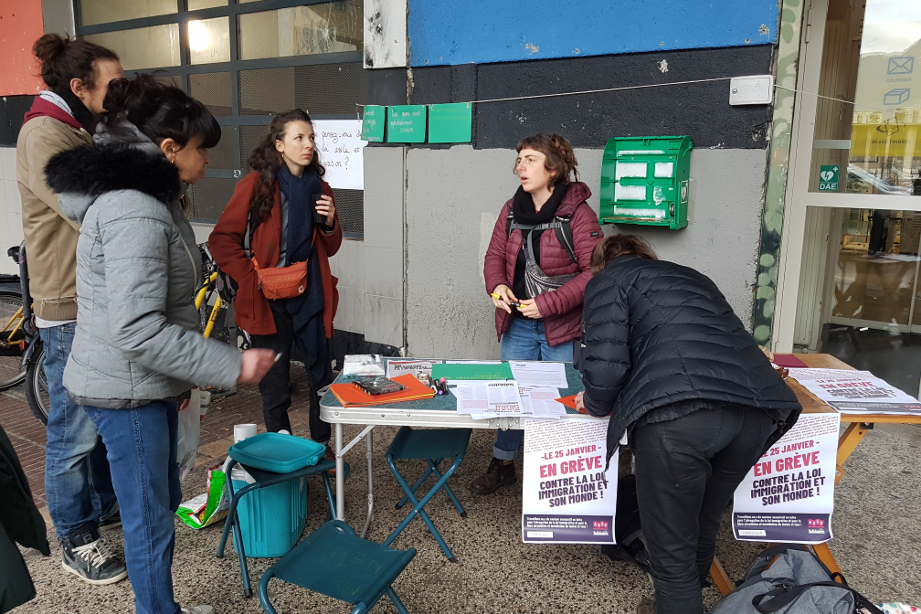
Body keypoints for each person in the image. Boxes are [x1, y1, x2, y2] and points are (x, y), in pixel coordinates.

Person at [44, 74, 276, 614]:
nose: (207, 163)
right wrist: (231, 364)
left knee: (158, 506)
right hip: (125, 390)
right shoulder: (135, 212)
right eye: (201, 151)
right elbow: (138, 328)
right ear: (168, 149)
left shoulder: (150, 198)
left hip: (140, 382)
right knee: (149, 522)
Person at [574, 234, 802, 614]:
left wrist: (594, 400)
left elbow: (606, 365)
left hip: (680, 418)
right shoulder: (692, 276)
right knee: (702, 524)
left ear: (600, 265)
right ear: (648, 257)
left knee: (671, 550)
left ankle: (677, 603)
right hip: (757, 409)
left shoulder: (608, 280)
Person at [15, 33, 127, 585]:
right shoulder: (43, 134)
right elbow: (89, 210)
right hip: (69, 303)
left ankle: (102, 506)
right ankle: (76, 536)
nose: (122, 93)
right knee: (74, 426)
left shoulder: (80, 128)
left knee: (102, 417)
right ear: (78, 87)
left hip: (96, 297)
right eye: (114, 84)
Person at [473, 133, 602, 495]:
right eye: (519, 159)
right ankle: (504, 463)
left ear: (554, 168)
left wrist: (547, 304)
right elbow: (494, 256)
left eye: (529, 159)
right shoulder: (511, 209)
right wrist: (496, 287)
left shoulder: (578, 213)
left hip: (561, 328)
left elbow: (596, 272)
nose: (520, 167)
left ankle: (556, 472)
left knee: (560, 399)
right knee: (511, 396)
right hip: (517, 326)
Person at [209, 109, 342, 459]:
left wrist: (329, 223)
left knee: (319, 374)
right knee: (275, 380)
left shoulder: (319, 187)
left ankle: (321, 447)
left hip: (310, 296)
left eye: (311, 137)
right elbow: (222, 239)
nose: (308, 144)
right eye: (299, 138)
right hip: (267, 300)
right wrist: (252, 279)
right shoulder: (256, 184)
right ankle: (282, 448)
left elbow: (330, 246)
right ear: (279, 145)